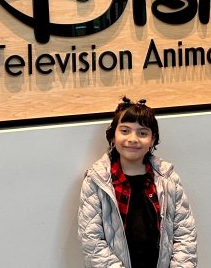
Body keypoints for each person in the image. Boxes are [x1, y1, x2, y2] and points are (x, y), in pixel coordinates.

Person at [78, 97, 197, 268]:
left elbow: (185, 234)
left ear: (152, 140)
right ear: (112, 136)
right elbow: (92, 241)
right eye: (125, 131)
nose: (133, 139)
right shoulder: (96, 181)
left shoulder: (168, 178)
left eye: (142, 133)